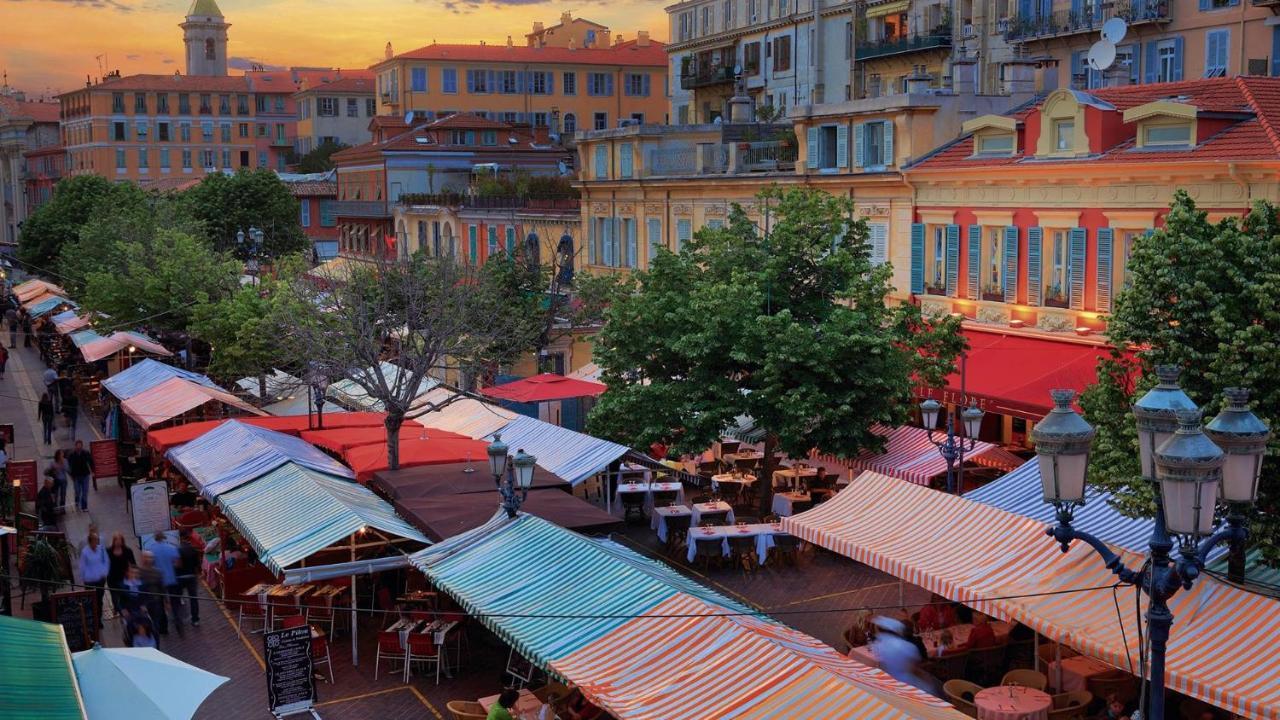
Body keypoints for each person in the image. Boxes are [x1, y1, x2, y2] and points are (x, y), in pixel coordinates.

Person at [870, 616, 937, 697]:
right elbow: (914, 669)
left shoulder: (879, 645)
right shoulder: (907, 647)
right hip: (908, 685)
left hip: (890, 683)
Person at [147, 531, 183, 636]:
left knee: (160, 604)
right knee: (175, 603)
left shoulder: (151, 550)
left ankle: (164, 628)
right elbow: (178, 563)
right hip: (171, 579)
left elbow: (150, 565)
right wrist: (170, 566)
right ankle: (177, 621)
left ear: (155, 538)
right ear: (164, 538)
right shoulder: (171, 548)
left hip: (159, 582)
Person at [79, 531, 109, 626]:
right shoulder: (85, 552)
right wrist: (84, 577)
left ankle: (98, 619)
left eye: (98, 540)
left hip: (100, 580)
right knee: (91, 600)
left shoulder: (101, 549)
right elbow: (82, 566)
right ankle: (92, 619)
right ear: (91, 541)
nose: (97, 541)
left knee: (99, 600)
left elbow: (106, 561)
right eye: (96, 540)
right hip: (90, 581)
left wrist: (104, 573)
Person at [137, 551, 170, 636]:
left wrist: (166, 601)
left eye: (150, 558)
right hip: (144, 602)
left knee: (155, 622)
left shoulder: (157, 572)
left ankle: (156, 638)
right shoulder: (139, 572)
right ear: (142, 559)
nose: (148, 560)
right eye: (146, 557)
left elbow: (162, 587)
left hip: (156, 601)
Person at [106, 532, 135, 617]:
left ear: (122, 541)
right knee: (115, 598)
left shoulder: (127, 551)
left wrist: (131, 574)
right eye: (116, 540)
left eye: (120, 540)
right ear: (113, 541)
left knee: (124, 597)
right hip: (112, 579)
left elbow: (133, 564)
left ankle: (123, 614)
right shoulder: (108, 551)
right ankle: (117, 609)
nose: (118, 542)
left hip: (124, 579)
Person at [176, 533, 202, 627]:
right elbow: (197, 565)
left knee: (178, 598)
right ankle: (195, 620)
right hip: (191, 577)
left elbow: (177, 565)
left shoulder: (177, 550)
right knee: (193, 599)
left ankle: (180, 619)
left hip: (180, 577)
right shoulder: (193, 550)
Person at [67, 439, 93, 512]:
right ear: (75, 446)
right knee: (77, 491)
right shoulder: (71, 455)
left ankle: (84, 506)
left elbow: (91, 461)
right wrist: (71, 474)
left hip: (85, 475)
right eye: (77, 446)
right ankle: (77, 500)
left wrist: (92, 471)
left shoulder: (86, 453)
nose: (79, 447)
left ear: (82, 446)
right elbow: (68, 465)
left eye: (80, 446)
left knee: (85, 492)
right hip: (76, 476)